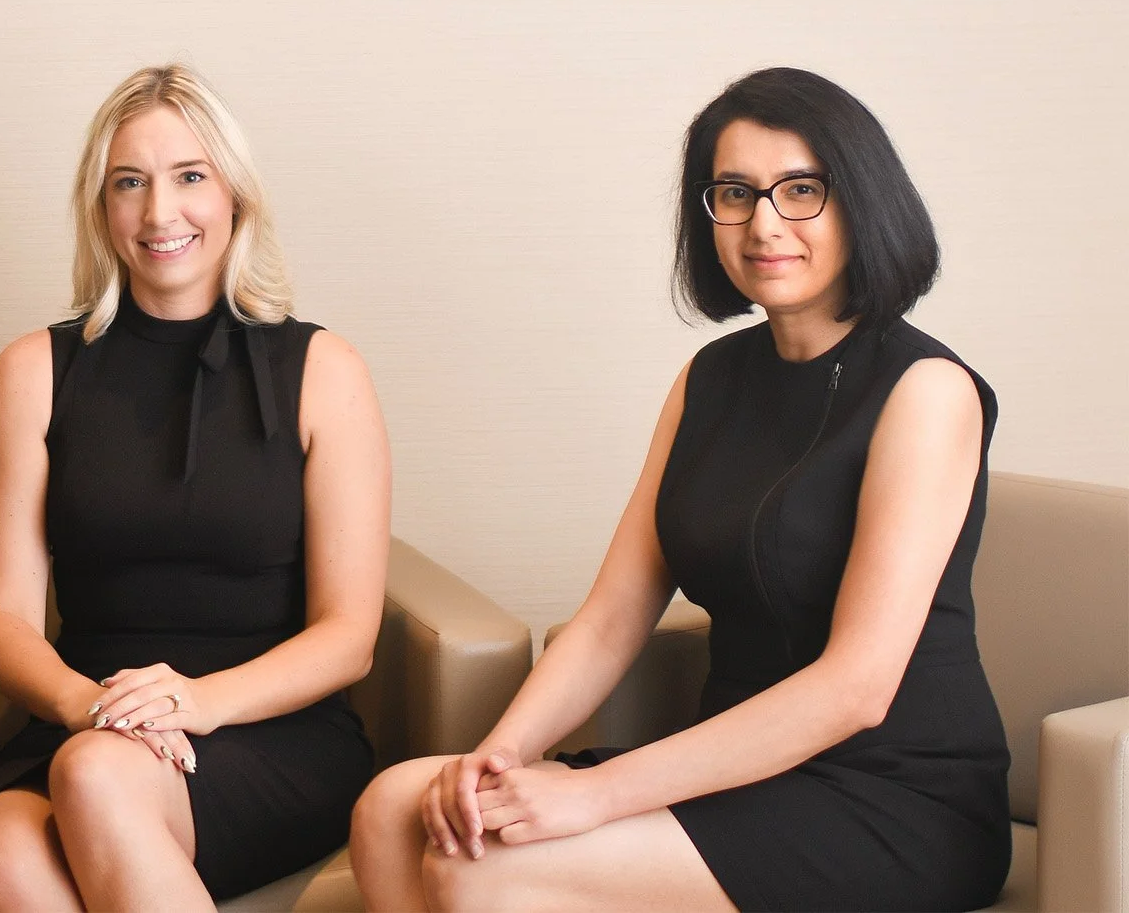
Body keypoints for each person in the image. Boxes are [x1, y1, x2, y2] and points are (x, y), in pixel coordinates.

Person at [349, 67, 1011, 911]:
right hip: (734, 768)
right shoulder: (710, 378)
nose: (764, 223)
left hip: (893, 796)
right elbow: (612, 617)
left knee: (481, 869)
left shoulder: (927, 390)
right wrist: (503, 754)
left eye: (800, 189)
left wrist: (595, 791)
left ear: (862, 201)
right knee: (392, 809)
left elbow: (857, 688)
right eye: (735, 193)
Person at [0, 65, 393, 910]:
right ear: (102, 208)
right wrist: (91, 707)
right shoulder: (32, 372)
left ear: (235, 195)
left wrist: (197, 703)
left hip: (271, 729)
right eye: (131, 183)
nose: (160, 213)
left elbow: (349, 637)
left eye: (189, 177)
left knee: (95, 777)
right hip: (85, 710)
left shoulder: (323, 371)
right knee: (2, 855)